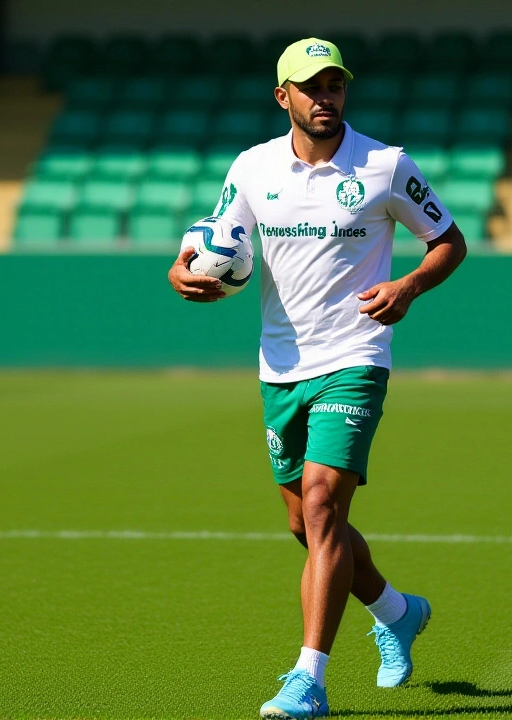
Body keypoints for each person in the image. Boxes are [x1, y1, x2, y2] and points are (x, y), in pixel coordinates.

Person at [166, 37, 467, 719]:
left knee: (326, 505)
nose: (325, 97)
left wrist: (411, 286)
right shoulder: (252, 167)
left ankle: (309, 679)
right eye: (311, 87)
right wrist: (180, 271)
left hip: (356, 358)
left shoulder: (386, 166)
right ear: (285, 97)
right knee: (306, 524)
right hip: (281, 366)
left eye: (334, 85)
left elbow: (449, 240)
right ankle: (396, 610)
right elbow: (213, 241)